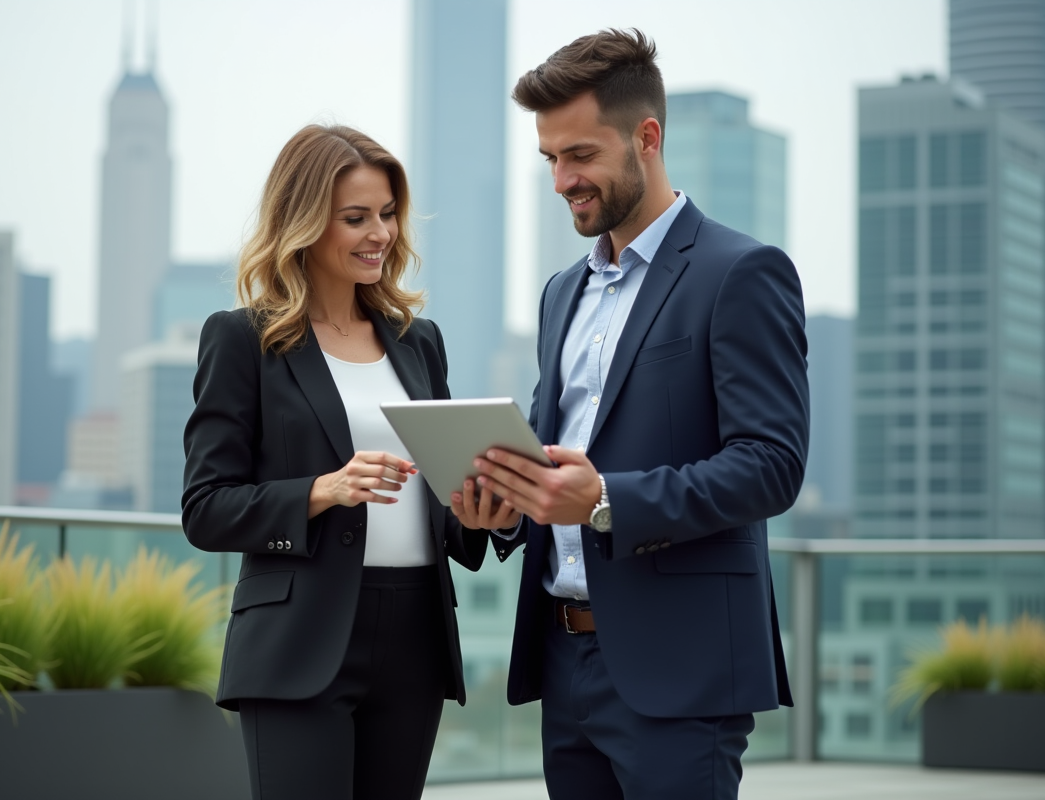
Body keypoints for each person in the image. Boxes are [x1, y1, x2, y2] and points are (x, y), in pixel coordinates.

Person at [451, 29, 807, 800]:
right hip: (562, 661)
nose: (562, 181)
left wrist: (607, 500)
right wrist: (505, 510)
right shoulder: (561, 293)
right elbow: (551, 454)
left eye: (580, 155)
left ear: (647, 138)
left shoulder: (741, 273)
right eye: (550, 158)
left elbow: (773, 465)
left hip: (683, 672)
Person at [181, 124, 489, 800]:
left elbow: (441, 502)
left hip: (415, 634)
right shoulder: (243, 340)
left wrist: (479, 513)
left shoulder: (419, 342)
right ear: (304, 222)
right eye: (356, 218)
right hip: (298, 639)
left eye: (388, 214)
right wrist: (323, 490)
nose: (380, 233)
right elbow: (205, 509)